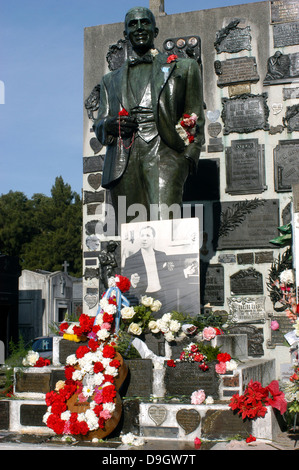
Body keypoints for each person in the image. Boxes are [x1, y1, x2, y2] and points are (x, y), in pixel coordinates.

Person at [93, 6, 205, 223]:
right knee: (133, 239)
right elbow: (99, 123)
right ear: (125, 34)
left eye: (145, 22)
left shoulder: (184, 67)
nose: (139, 28)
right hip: (124, 160)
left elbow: (194, 114)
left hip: (166, 154)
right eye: (132, 24)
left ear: (155, 30)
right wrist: (109, 125)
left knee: (166, 226)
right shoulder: (110, 80)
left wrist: (189, 156)